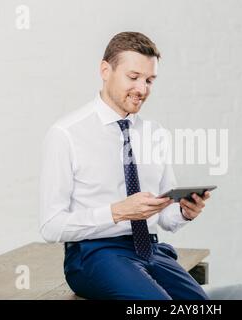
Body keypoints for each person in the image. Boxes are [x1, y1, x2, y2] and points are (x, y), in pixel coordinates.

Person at [39, 31, 211, 300]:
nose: (142, 90)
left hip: (150, 250)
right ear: (105, 70)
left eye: (149, 80)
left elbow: (165, 217)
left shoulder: (155, 132)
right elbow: (51, 226)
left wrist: (185, 211)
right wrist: (117, 212)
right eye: (133, 77)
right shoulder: (66, 134)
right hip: (94, 254)